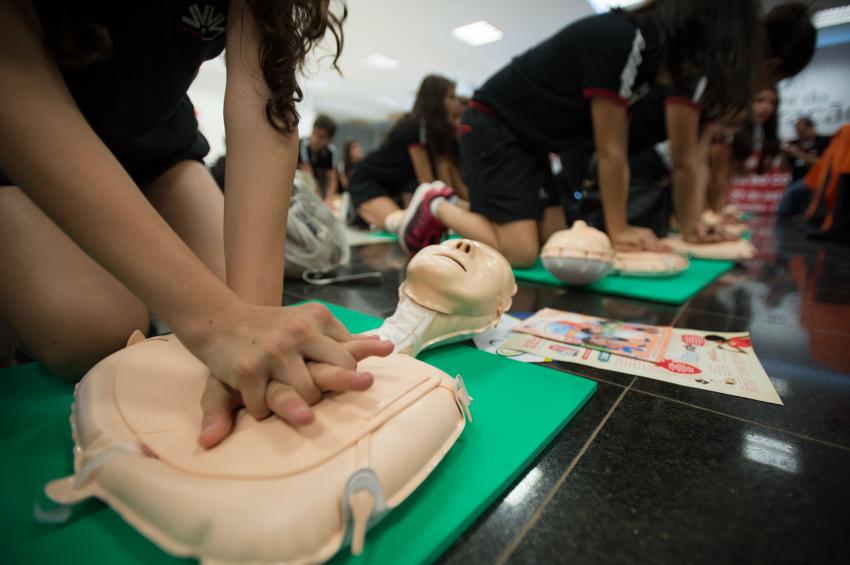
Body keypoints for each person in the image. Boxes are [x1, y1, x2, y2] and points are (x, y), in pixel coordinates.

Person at [0, 0, 392, 450]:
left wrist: (250, 330)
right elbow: (15, 82)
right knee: (93, 330)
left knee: (241, 290)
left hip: (157, 149)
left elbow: (263, 105)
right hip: (19, 143)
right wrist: (219, 322)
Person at [401, 0, 765, 267]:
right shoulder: (625, 40)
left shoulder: (646, 59)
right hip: (493, 125)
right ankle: (437, 203)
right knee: (520, 253)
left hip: (532, 141)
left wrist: (686, 226)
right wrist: (618, 230)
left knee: (556, 242)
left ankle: (463, 209)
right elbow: (611, 150)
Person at [346, 74, 464, 241]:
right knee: (401, 224)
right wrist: (459, 212)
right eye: (451, 97)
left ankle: (361, 212)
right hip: (367, 181)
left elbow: (447, 184)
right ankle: (354, 209)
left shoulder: (437, 135)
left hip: (392, 189)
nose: (457, 103)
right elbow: (427, 181)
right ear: (436, 99)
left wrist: (463, 207)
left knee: (411, 221)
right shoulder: (415, 125)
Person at [777, 117, 831, 218]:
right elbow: (783, 169)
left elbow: (823, 164)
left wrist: (799, 154)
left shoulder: (824, 141)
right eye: (797, 132)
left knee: (792, 193)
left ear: (811, 128)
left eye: (802, 132)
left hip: (817, 181)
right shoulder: (793, 143)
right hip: (796, 180)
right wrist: (783, 154)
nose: (800, 135)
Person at [298, 113, 340, 205]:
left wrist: (328, 198)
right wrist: (320, 202)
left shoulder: (331, 151)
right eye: (314, 133)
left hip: (317, 190)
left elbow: (332, 178)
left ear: (329, 140)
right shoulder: (303, 145)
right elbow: (308, 175)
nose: (315, 139)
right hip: (301, 189)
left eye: (321, 137)